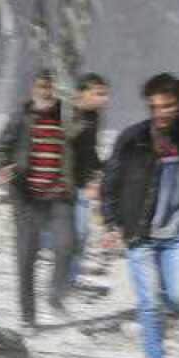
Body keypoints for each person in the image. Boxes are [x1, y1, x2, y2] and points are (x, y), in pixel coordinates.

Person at [101, 73, 179, 358]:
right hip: (141, 234)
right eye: (156, 106)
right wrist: (111, 223)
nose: (162, 112)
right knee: (149, 300)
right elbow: (110, 182)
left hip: (178, 235)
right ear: (150, 106)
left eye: (168, 106)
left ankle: (161, 318)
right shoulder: (133, 138)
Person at [0, 69, 79, 327]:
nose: (46, 92)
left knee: (68, 245)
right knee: (26, 258)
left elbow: (82, 145)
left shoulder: (65, 116)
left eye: (50, 87)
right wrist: (3, 166)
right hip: (27, 198)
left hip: (58, 196)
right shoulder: (21, 117)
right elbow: (0, 149)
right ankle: (28, 318)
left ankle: (55, 294)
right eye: (42, 87)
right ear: (33, 89)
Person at [69, 73, 111, 286]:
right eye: (99, 94)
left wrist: (100, 166)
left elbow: (89, 149)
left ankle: (70, 279)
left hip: (80, 184)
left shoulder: (93, 117)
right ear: (82, 93)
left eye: (106, 95)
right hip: (58, 183)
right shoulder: (66, 112)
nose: (105, 99)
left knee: (81, 232)